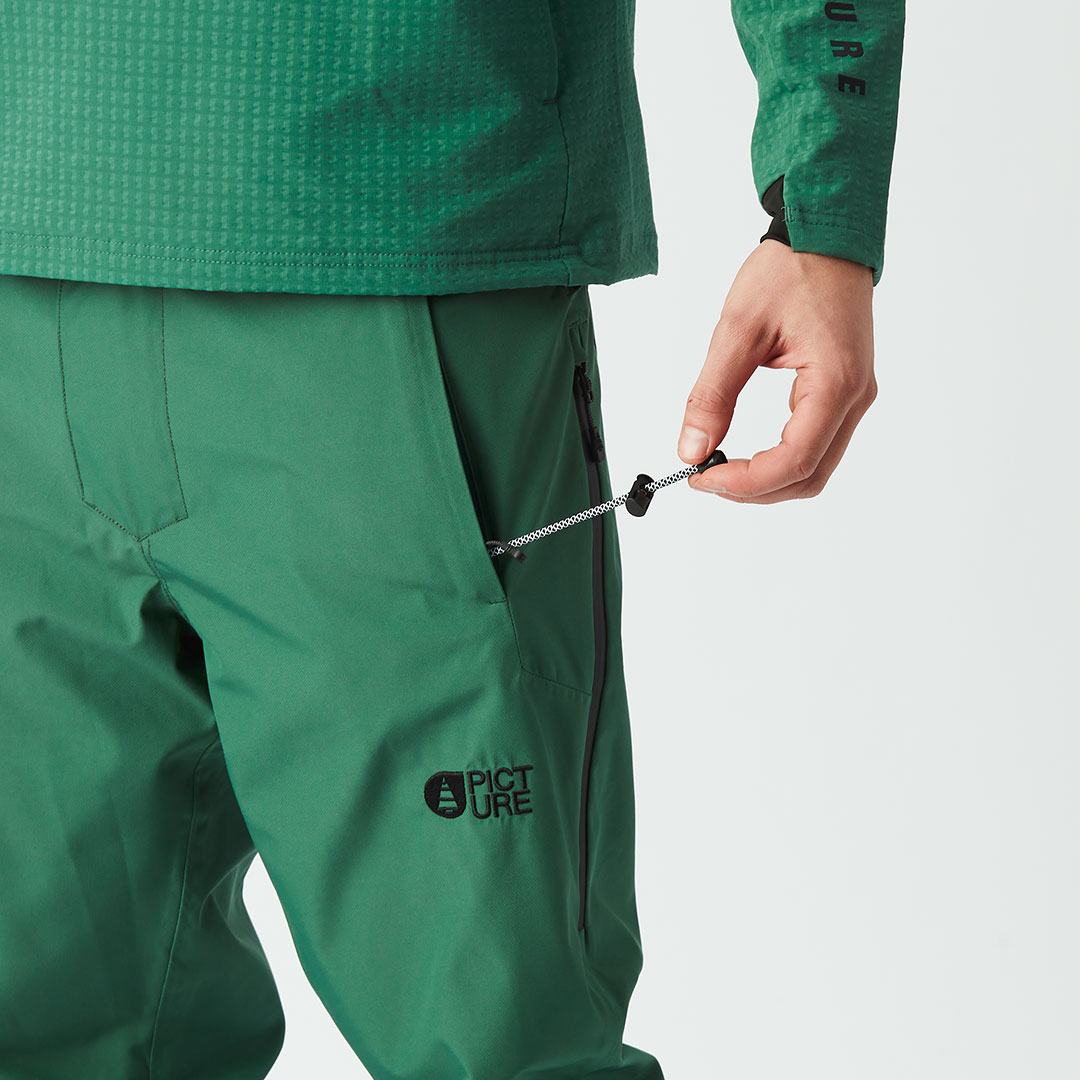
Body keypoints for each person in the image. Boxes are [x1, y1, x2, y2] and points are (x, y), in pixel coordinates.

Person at [0, 2, 904, 1077]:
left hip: (394, 232)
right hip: (56, 256)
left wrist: (823, 193)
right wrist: (823, 193)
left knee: (493, 1035)